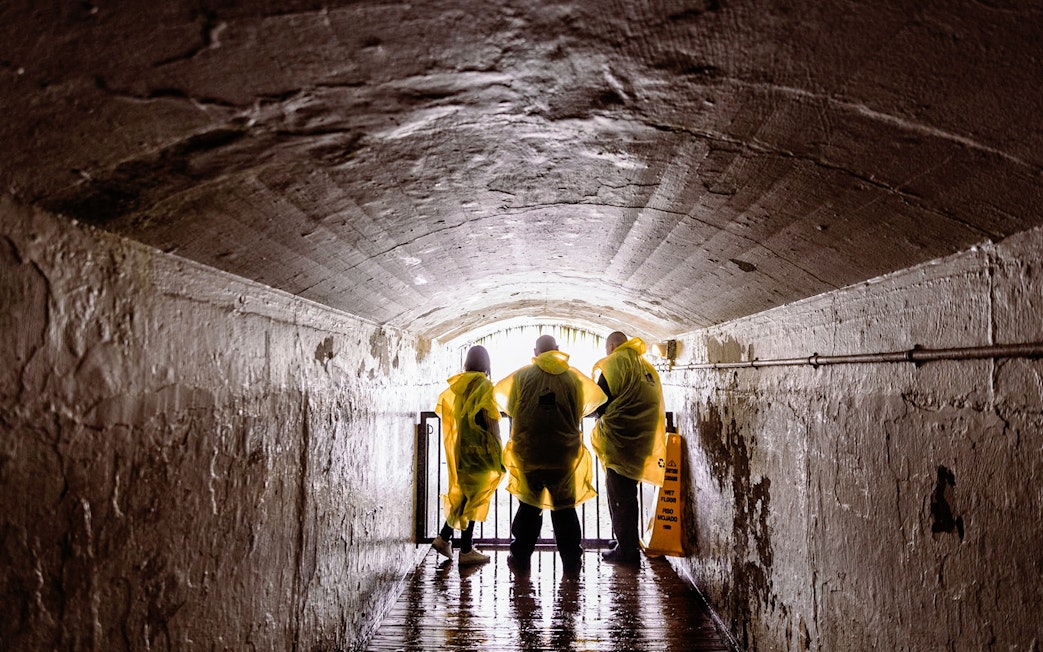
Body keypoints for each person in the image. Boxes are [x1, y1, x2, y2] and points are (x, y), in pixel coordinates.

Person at [493, 334, 607, 576]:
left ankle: (520, 557)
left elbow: (513, 408)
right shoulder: (573, 379)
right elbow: (579, 410)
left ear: (535, 351)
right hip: (563, 455)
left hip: (529, 454)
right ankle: (571, 562)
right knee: (565, 510)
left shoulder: (522, 377)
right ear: (557, 349)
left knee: (528, 508)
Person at [591, 331, 667, 565]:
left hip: (620, 441)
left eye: (607, 349)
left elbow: (598, 403)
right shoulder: (644, 365)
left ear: (612, 346)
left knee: (620, 496)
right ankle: (625, 542)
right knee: (628, 493)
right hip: (642, 441)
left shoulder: (614, 363)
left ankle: (627, 552)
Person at [431, 345, 506, 565]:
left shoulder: (459, 385)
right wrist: (498, 445)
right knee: (475, 497)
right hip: (480, 449)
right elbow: (489, 416)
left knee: (466, 496)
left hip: (462, 448)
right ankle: (465, 550)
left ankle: (445, 539)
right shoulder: (484, 385)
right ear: (486, 364)